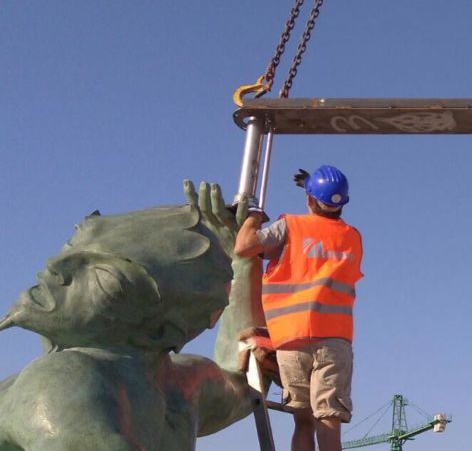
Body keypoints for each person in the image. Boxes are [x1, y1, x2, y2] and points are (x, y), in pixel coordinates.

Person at [0, 182, 258, 449]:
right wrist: (242, 260)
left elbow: (244, 383)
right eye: (71, 246)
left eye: (104, 279)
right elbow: (246, 380)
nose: (56, 267)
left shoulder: (62, 380)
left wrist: (240, 260)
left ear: (160, 330)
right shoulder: (185, 386)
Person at [236, 165, 363, 451]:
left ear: (308, 199)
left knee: (303, 422)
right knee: (329, 422)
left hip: (292, 339)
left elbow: (244, 247)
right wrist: (312, 187)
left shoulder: (290, 226)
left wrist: (254, 215)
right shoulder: (353, 237)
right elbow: (323, 236)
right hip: (334, 341)